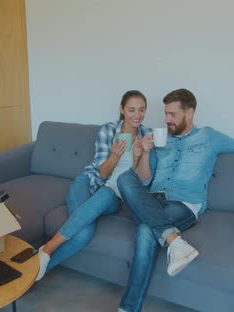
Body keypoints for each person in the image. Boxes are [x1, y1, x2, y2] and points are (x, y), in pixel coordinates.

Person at [116, 88, 234, 312]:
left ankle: (128, 309)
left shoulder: (209, 137)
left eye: (172, 115)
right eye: (166, 114)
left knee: (145, 230)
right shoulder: (162, 140)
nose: (167, 120)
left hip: (184, 204)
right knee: (124, 179)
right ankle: (174, 240)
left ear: (190, 113)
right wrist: (144, 153)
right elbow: (145, 180)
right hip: (153, 200)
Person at [36, 90, 153, 281]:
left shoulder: (147, 135)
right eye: (131, 109)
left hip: (114, 196)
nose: (137, 115)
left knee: (106, 197)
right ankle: (37, 268)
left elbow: (141, 181)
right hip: (88, 183)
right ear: (122, 109)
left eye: (141, 110)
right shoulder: (108, 130)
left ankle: (46, 249)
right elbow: (102, 174)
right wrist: (115, 155)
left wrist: (140, 155)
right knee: (83, 234)